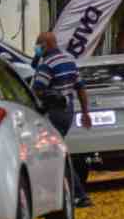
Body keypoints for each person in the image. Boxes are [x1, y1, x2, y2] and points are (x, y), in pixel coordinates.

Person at [31, 31, 93, 208]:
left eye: (37, 44)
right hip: (68, 111)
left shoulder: (47, 65)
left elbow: (37, 91)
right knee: (56, 152)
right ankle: (72, 193)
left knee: (55, 154)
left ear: (45, 45)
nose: (35, 48)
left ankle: (79, 194)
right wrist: (85, 112)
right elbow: (80, 88)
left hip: (54, 113)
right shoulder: (69, 60)